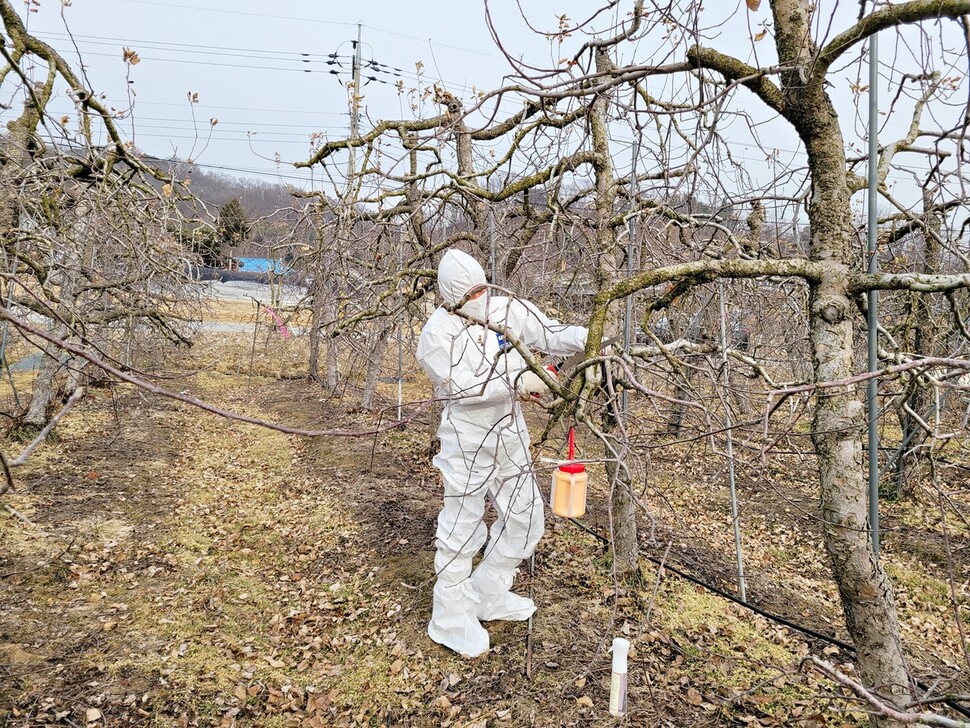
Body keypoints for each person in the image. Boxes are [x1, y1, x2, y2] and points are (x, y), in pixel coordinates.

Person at [416, 248, 588, 657]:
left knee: (527, 518)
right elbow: (464, 387)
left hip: (509, 432)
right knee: (461, 530)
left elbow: (549, 332)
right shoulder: (435, 335)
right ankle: (450, 616)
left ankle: (489, 591)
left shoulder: (504, 309)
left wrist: (589, 336)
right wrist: (522, 378)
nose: (478, 297)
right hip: (467, 440)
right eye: (469, 293)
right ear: (450, 296)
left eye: (480, 288)